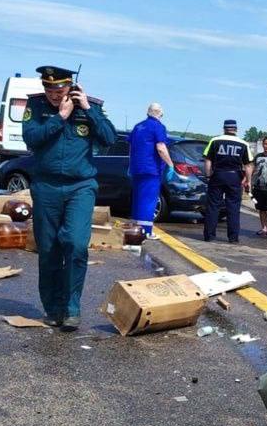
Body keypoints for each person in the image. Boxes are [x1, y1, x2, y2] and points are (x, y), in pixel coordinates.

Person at [21, 65, 117, 330]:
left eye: (59, 88)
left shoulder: (90, 107)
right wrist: (59, 118)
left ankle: (72, 307)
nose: (53, 93)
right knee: (49, 249)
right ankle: (53, 308)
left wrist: (86, 109)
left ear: (70, 86)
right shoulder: (37, 107)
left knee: (75, 244)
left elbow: (109, 138)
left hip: (80, 187)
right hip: (46, 187)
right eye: (48, 88)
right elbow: (31, 138)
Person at [202, 119, 252, 243]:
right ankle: (233, 237)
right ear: (236, 129)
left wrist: (208, 176)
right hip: (235, 177)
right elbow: (248, 166)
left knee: (213, 206)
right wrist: (248, 181)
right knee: (233, 207)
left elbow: (208, 161)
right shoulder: (243, 143)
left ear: (224, 128)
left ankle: (209, 236)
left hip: (218, 175)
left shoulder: (215, 141)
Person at [127, 102, 172, 238]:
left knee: (138, 199)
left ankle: (135, 229)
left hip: (137, 168)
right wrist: (170, 164)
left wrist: (131, 165)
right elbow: (161, 148)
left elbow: (131, 148)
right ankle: (146, 231)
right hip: (151, 169)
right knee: (149, 200)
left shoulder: (138, 126)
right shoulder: (158, 127)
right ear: (160, 114)